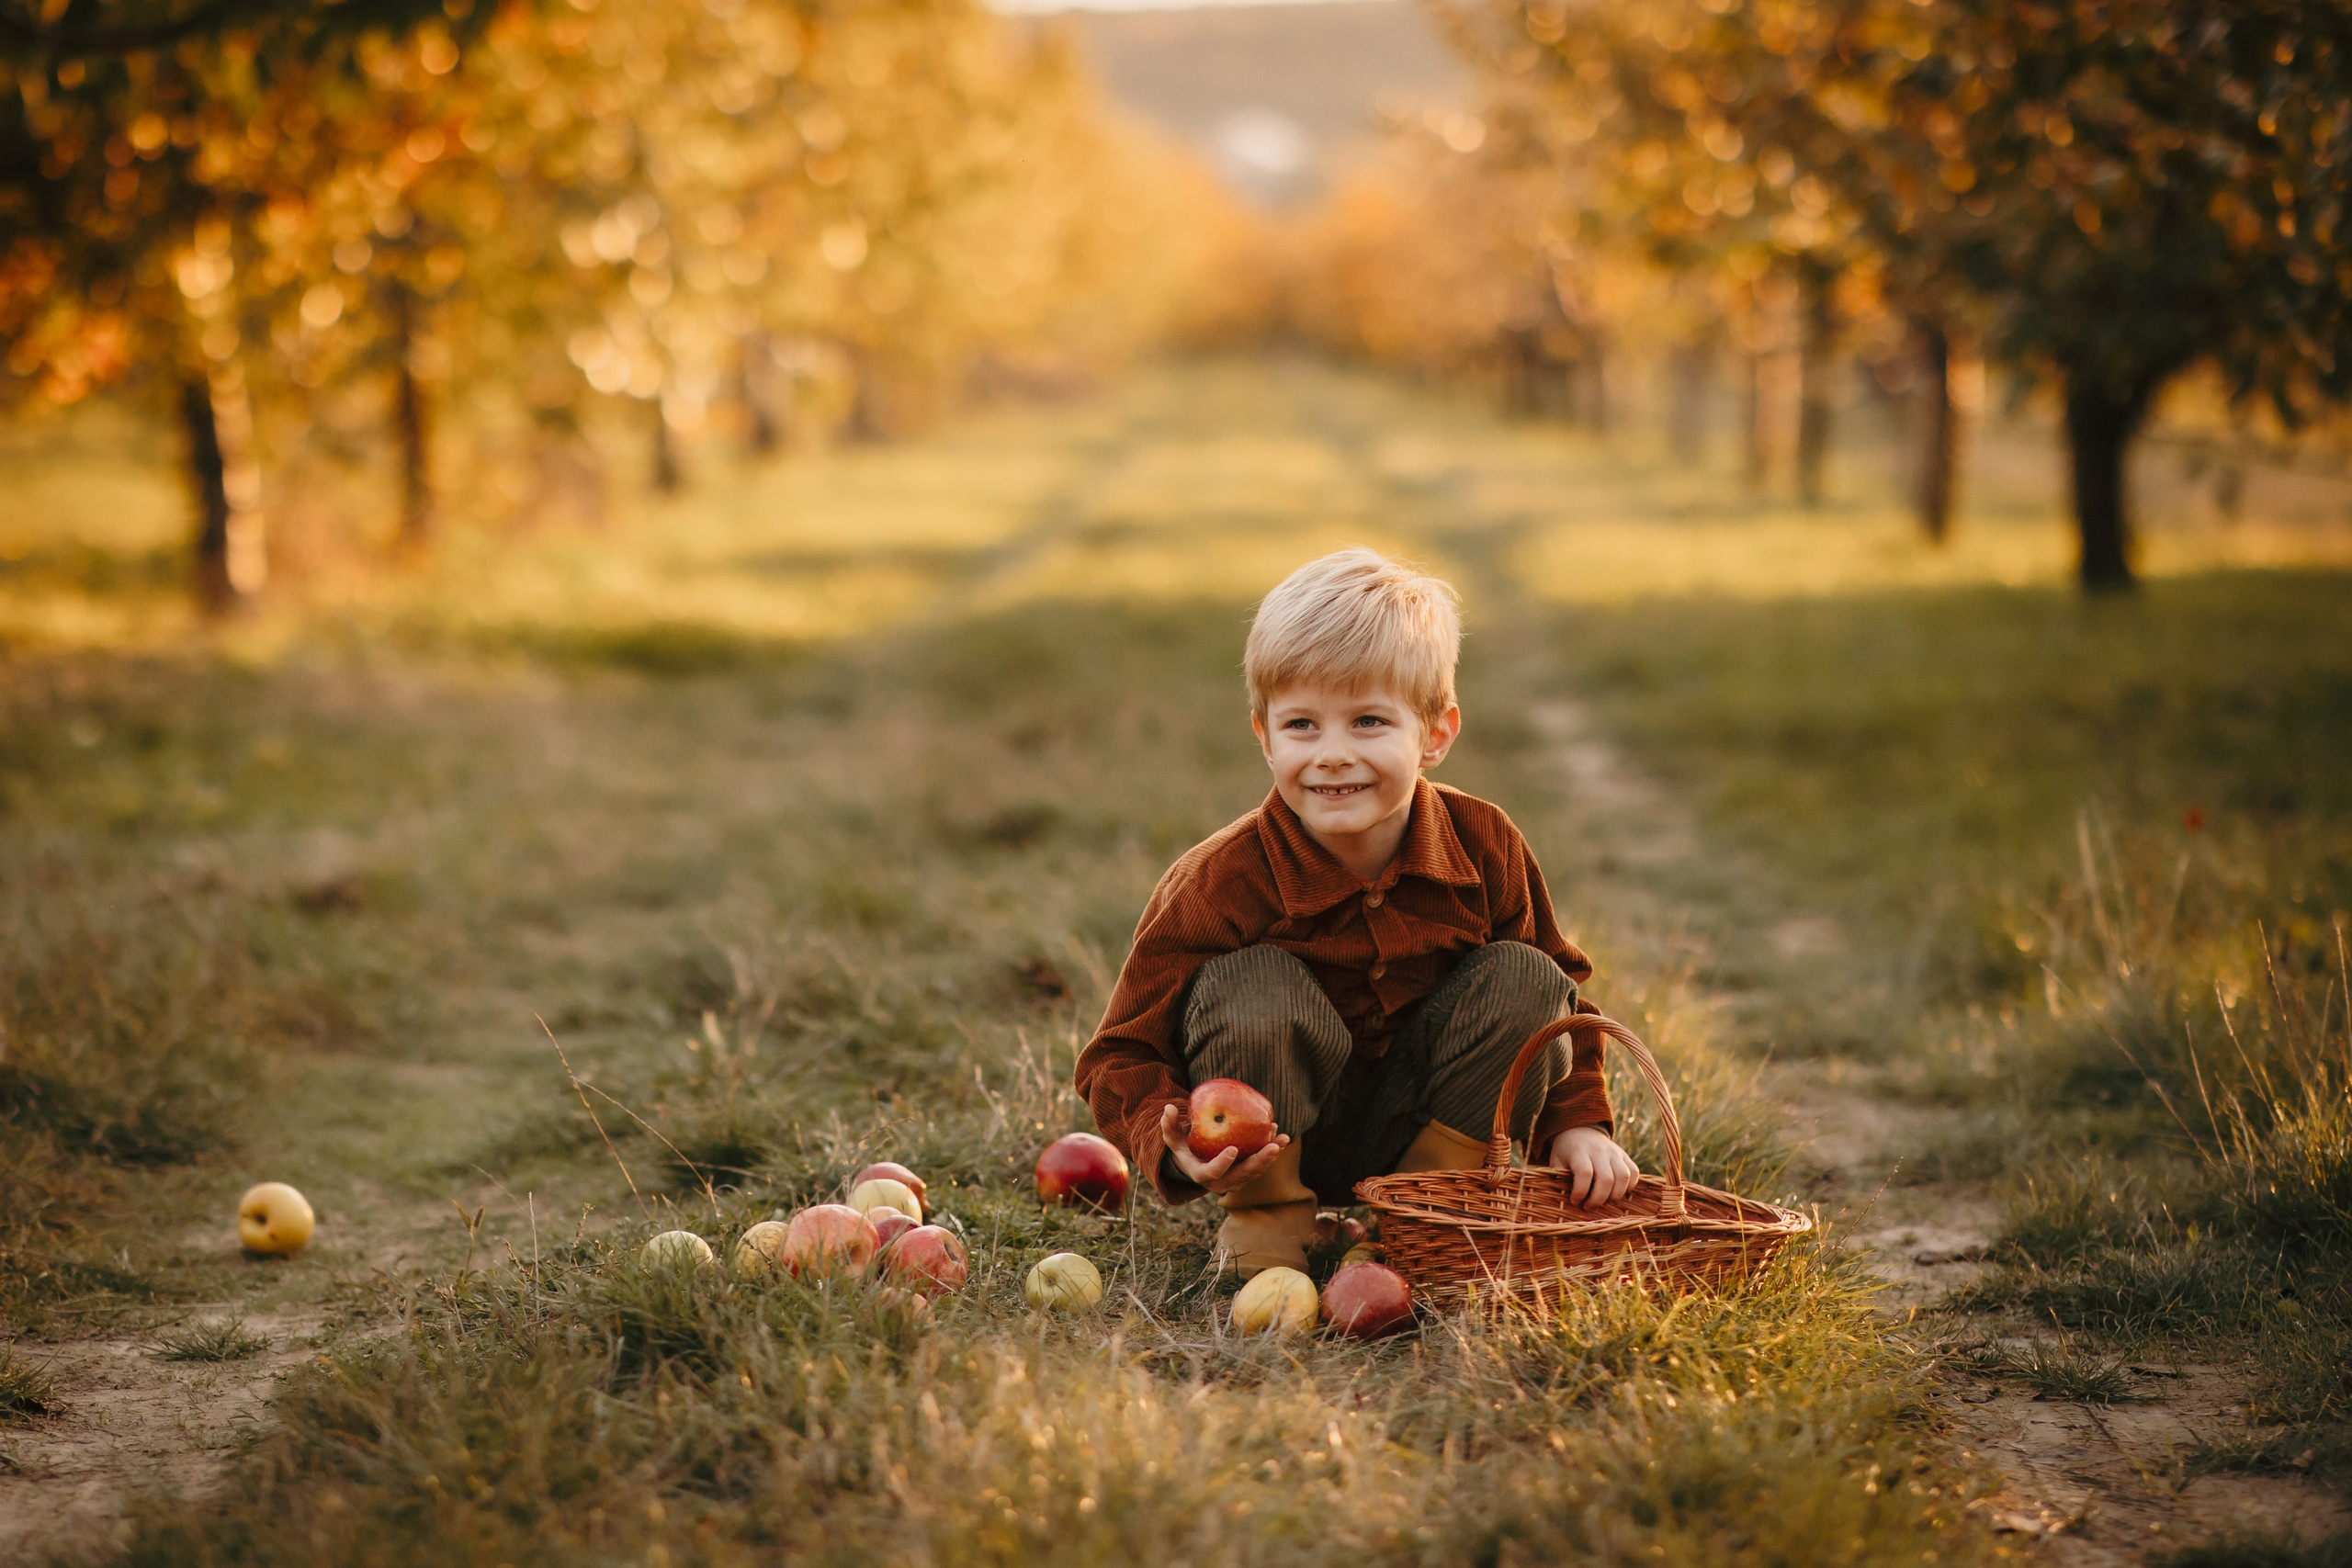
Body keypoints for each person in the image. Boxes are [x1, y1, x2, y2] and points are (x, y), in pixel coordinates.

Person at [1072, 548, 1641, 1275]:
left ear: (1435, 733)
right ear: (1264, 735)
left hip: (1433, 1116)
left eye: (1368, 721)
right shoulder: (1219, 880)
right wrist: (1173, 1141)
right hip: (1277, 1134)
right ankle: (1272, 1223)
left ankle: (1423, 1213)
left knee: (1527, 977)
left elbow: (1563, 994)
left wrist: (1579, 1124)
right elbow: (1119, 1053)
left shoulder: (1485, 843)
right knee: (1253, 986)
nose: (1333, 755)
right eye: (1303, 725)